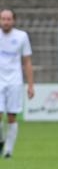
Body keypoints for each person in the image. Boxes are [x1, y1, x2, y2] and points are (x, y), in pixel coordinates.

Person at [0, 9, 35, 158]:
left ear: (13, 21)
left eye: (8, 19)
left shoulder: (22, 36)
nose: (6, 22)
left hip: (15, 81)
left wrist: (31, 85)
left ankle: (8, 150)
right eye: (3, 19)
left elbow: (27, 62)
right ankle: (1, 140)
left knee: (12, 116)